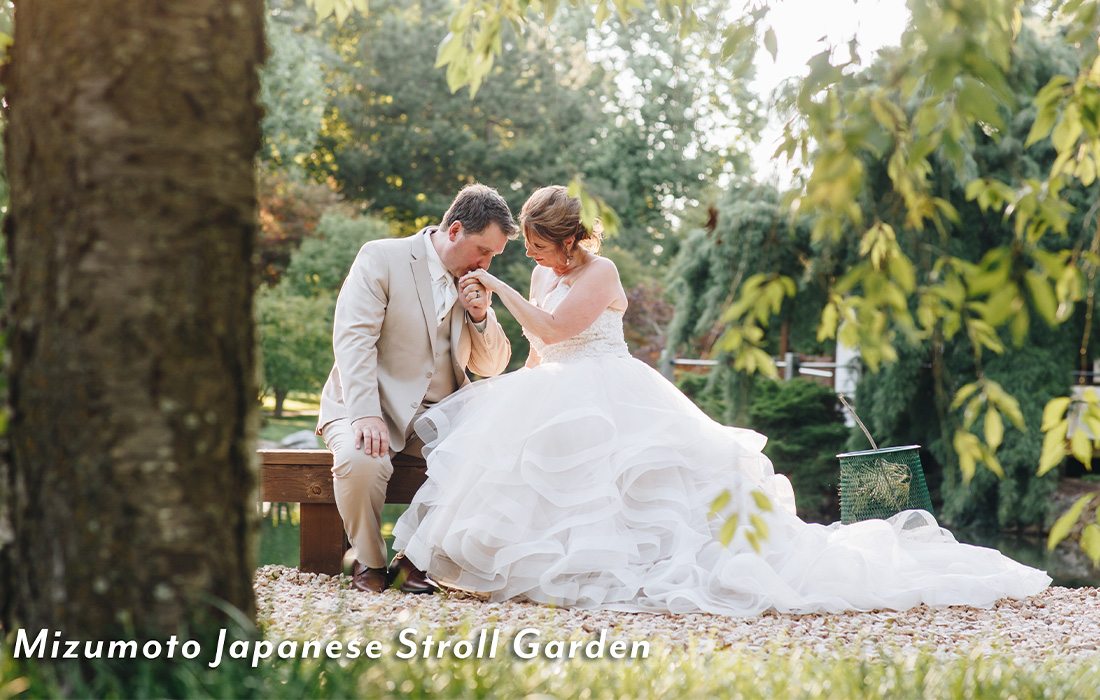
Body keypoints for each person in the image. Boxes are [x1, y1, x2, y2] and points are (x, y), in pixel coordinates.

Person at [391, 185, 1051, 616]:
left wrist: (500, 290)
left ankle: (637, 573)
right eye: (527, 250)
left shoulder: (602, 272)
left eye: (539, 246)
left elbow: (561, 328)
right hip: (559, 390)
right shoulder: (542, 272)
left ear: (568, 240)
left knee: (639, 491)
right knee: (536, 477)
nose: (534, 257)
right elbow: (542, 347)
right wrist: (522, 381)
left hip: (613, 387)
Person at [317, 183, 516, 594]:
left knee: (490, 458)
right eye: (483, 250)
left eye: (494, 255)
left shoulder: (472, 285)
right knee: (361, 461)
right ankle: (369, 564)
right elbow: (354, 340)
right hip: (368, 405)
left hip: (437, 416)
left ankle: (412, 560)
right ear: (456, 229)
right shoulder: (381, 257)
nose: (486, 262)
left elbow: (492, 366)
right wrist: (365, 412)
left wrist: (481, 315)